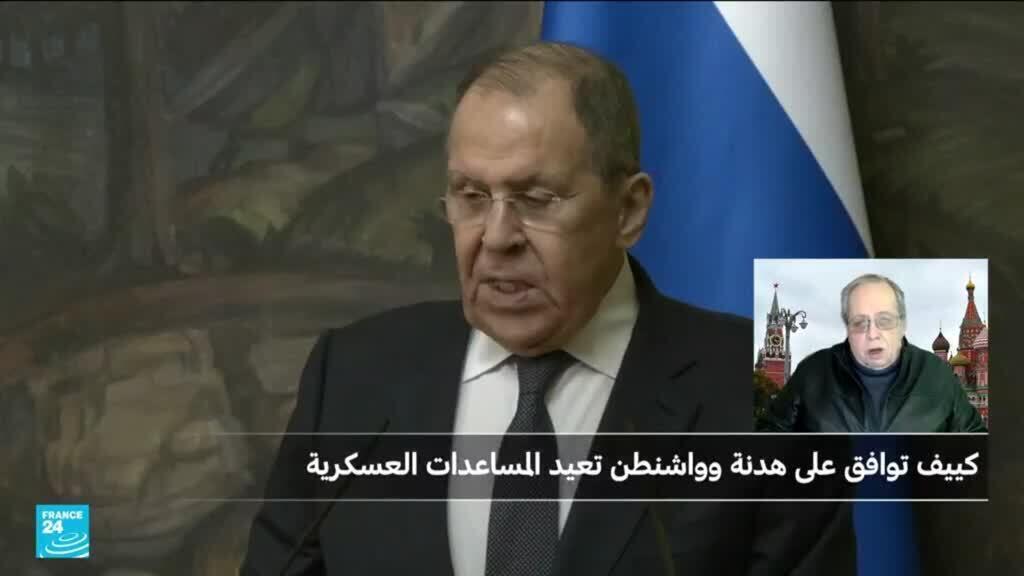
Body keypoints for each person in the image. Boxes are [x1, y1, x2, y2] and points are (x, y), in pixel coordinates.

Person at [241, 41, 854, 575]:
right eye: (471, 196)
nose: (496, 236)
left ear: (629, 210)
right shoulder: (353, 377)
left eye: (535, 199)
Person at [759, 273, 987, 432]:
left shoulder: (936, 374)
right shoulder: (814, 373)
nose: (873, 332)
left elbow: (976, 443)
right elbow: (768, 437)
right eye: (861, 320)